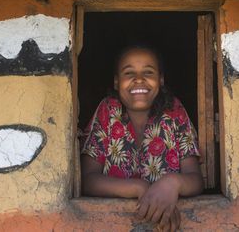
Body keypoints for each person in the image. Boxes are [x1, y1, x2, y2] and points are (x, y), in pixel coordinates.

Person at [81, 45, 203, 231]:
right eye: (129, 73)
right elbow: (88, 180)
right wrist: (140, 188)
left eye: (148, 72)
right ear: (116, 82)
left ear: (160, 80)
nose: (139, 79)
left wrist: (172, 183)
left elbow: (195, 179)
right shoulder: (107, 111)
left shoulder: (174, 112)